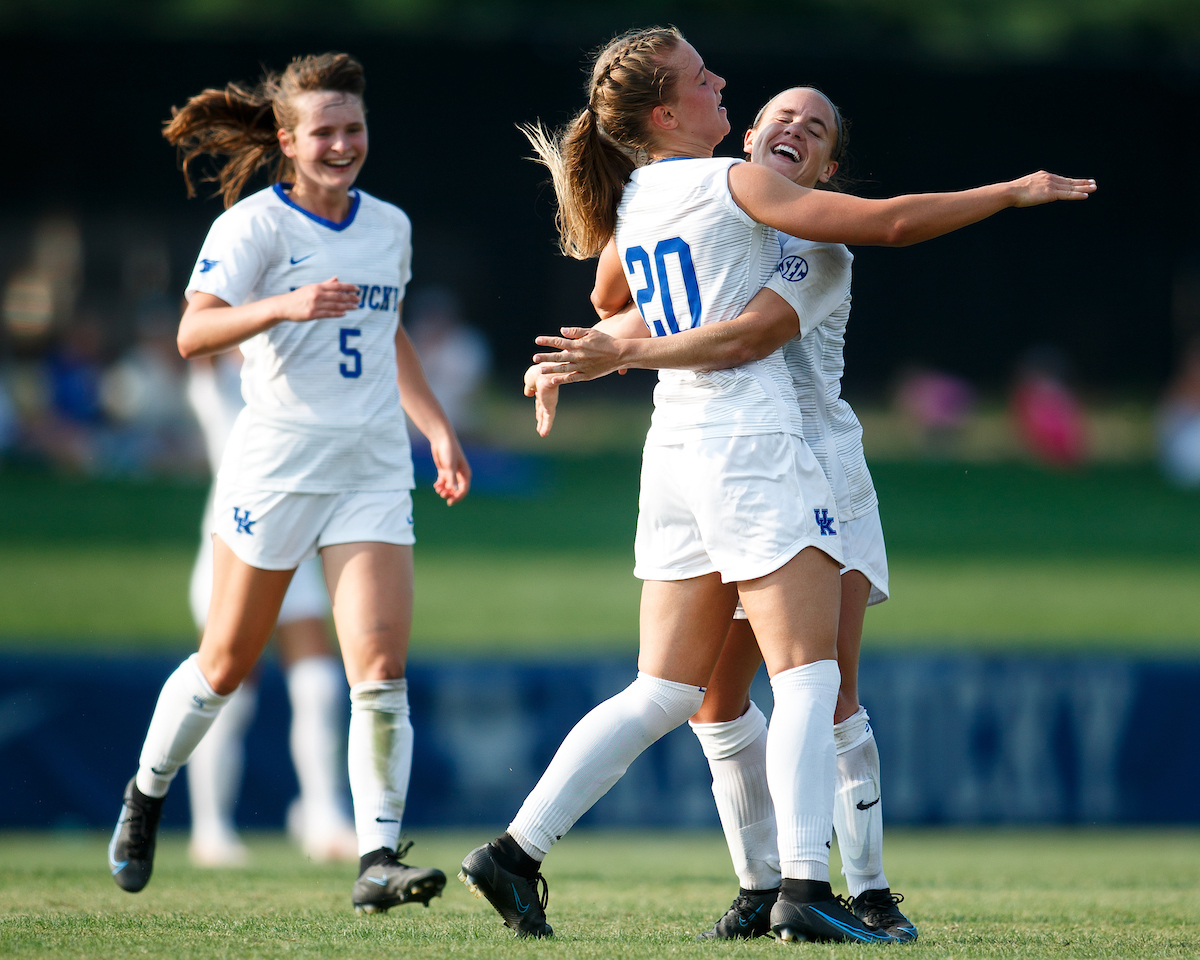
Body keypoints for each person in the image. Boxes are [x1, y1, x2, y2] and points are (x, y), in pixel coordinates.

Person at [459, 25, 1092, 943]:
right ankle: (801, 888)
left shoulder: (643, 192)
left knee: (668, 691)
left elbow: (619, 298)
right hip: (749, 442)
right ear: (680, 115)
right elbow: (887, 228)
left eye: (814, 124)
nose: (723, 80)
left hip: (681, 445)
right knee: (806, 676)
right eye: (706, 78)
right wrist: (1015, 191)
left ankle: (517, 851)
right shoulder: (729, 186)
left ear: (826, 161)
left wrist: (604, 353)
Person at [528, 86, 929, 941]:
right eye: (781, 118)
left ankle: (866, 890)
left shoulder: (815, 250)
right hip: (730, 472)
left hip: (814, 473)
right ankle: (765, 889)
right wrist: (638, 225)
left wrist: (621, 351)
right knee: (712, 700)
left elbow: (745, 337)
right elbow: (615, 289)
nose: (796, 131)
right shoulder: (717, 215)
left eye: (816, 131)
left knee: (828, 693)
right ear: (749, 140)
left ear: (826, 171)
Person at [106, 52, 471, 916]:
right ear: (287, 139)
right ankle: (147, 793)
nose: (342, 144)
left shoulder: (389, 225)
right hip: (276, 467)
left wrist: (438, 430)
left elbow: (389, 334)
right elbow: (195, 335)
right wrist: (283, 305)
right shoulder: (252, 230)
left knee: (379, 672)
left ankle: (377, 855)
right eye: (324, 131)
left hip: (372, 469)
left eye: (353, 128)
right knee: (225, 664)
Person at [185, 350, 357, 867]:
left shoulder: (301, 366)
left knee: (320, 686)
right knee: (227, 689)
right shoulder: (218, 375)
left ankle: (324, 816)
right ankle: (209, 829)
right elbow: (200, 331)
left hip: (299, 541)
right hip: (233, 543)